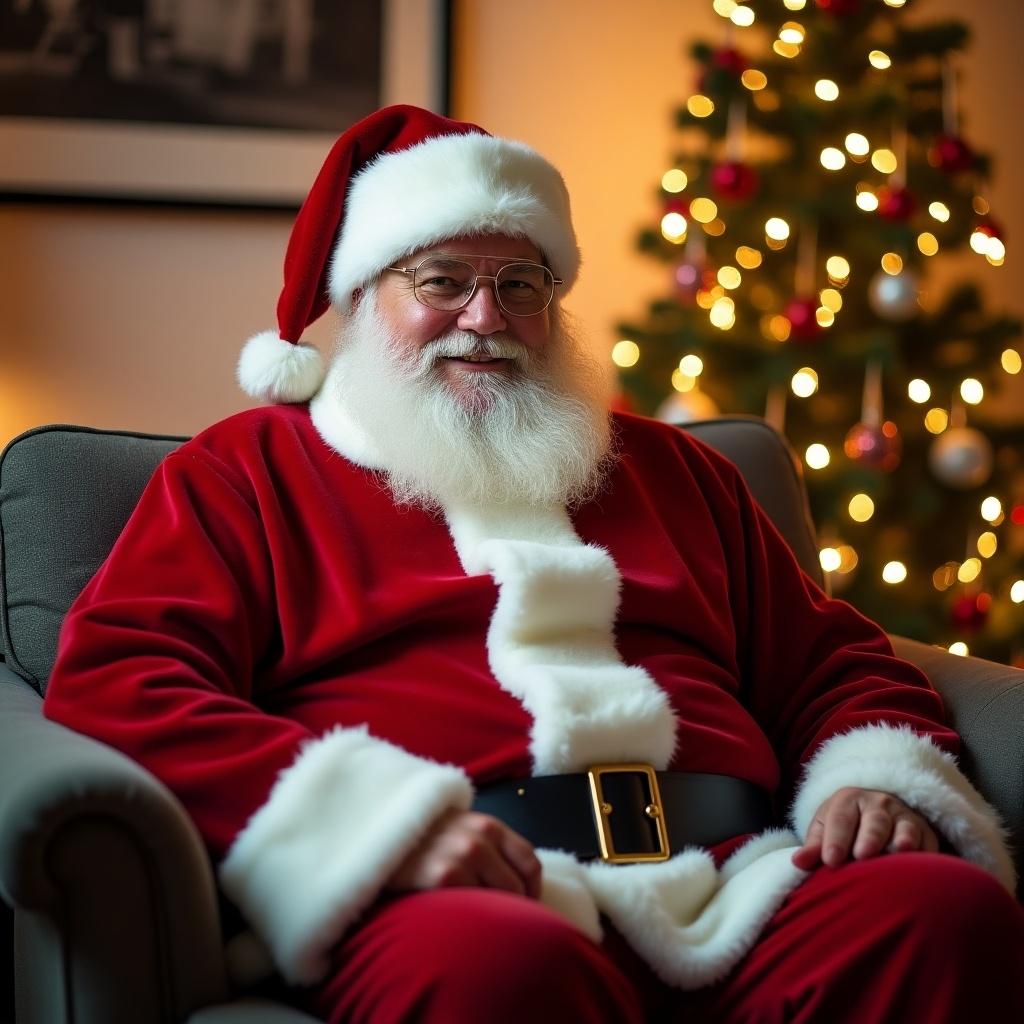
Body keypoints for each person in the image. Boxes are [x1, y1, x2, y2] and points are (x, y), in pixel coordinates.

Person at [44, 105, 1023, 1022]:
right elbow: (123, 678)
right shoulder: (245, 473)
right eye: (442, 281)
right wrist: (385, 829)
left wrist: (871, 777)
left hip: (738, 870)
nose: (486, 314)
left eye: (521, 284)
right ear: (361, 293)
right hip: (459, 883)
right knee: (495, 969)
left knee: (938, 914)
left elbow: (826, 659)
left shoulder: (676, 472)